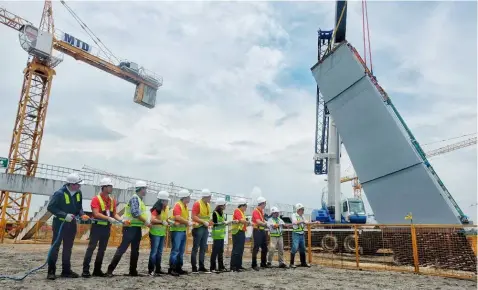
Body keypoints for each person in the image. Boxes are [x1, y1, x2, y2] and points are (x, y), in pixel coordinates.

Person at [46, 172, 90, 280]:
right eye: (78, 184)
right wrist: (64, 215)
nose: (79, 186)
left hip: (71, 224)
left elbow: (79, 207)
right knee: (55, 247)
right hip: (60, 223)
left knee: (68, 248)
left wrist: (82, 214)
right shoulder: (59, 193)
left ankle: (66, 271)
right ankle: (51, 271)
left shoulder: (78, 193)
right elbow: (51, 207)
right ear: (71, 184)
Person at [82, 177, 124, 278]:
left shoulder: (112, 200)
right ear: (104, 187)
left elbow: (114, 214)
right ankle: (85, 270)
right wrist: (108, 218)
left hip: (106, 228)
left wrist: (121, 220)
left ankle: (97, 270)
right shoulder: (96, 199)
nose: (111, 188)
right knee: (91, 248)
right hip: (97, 228)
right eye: (109, 186)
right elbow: (96, 214)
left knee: (102, 250)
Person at [106, 180, 150, 277]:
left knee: (135, 250)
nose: (146, 190)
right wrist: (146, 222)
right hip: (130, 228)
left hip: (136, 228)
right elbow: (135, 213)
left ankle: (133, 271)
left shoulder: (139, 199)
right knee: (122, 249)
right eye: (145, 188)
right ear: (141, 189)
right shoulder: (135, 198)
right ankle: (110, 270)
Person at [169, 188, 193, 276]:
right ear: (185, 197)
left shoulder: (184, 206)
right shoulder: (178, 205)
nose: (190, 198)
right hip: (176, 231)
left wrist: (187, 222)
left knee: (181, 250)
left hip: (182, 230)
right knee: (175, 250)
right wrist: (187, 222)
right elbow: (177, 217)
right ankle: (172, 268)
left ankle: (179, 268)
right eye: (189, 196)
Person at [148, 190, 170, 276]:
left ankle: (158, 269)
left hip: (162, 233)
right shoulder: (156, 209)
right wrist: (161, 222)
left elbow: (166, 219)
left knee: (160, 252)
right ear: (162, 201)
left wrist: (169, 221)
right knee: (154, 252)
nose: (167, 202)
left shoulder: (166, 208)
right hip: (155, 233)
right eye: (166, 200)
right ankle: (151, 270)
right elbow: (152, 219)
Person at [191, 188, 212, 273]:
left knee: (203, 248)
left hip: (205, 228)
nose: (210, 198)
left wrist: (209, 222)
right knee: (195, 248)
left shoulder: (208, 205)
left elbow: (207, 217)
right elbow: (193, 216)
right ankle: (194, 267)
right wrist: (203, 221)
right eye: (210, 197)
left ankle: (201, 266)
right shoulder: (197, 204)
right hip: (198, 228)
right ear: (206, 197)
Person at [210, 197, 233, 273]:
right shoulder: (215, 213)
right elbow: (214, 224)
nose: (225, 206)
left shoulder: (222, 213)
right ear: (221, 205)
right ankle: (212, 267)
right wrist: (223, 223)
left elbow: (221, 222)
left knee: (220, 251)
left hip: (221, 235)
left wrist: (226, 223)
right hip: (216, 235)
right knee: (215, 252)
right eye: (224, 205)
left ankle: (221, 266)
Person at [290, 203, 316, 268]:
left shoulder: (302, 216)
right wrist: (302, 221)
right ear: (298, 210)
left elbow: (307, 222)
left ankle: (303, 263)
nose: (303, 211)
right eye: (302, 209)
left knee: (303, 248)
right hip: (296, 234)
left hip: (301, 234)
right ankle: (291, 263)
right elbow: (294, 222)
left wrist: (314, 222)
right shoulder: (294, 215)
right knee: (295, 247)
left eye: (303, 209)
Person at [230, 198, 249, 272]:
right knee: (236, 250)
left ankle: (238, 265)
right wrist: (247, 222)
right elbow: (241, 220)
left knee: (240, 249)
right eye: (245, 206)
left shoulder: (241, 212)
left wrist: (246, 222)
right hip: (237, 232)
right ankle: (234, 266)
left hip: (241, 231)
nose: (246, 207)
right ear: (242, 205)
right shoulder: (237, 211)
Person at [251, 196, 269, 271]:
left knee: (264, 248)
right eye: (265, 203)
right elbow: (258, 221)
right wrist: (266, 224)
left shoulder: (261, 211)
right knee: (256, 248)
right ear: (262, 203)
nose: (265, 205)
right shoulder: (256, 211)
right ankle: (254, 264)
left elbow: (262, 221)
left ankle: (263, 263)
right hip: (257, 230)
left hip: (262, 231)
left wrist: (267, 223)